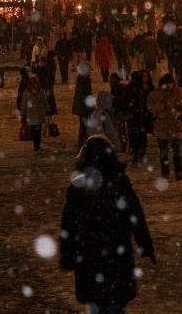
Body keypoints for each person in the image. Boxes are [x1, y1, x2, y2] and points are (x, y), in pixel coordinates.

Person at [60, 135, 156, 314]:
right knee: (116, 306)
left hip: (89, 255)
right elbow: (135, 216)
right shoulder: (119, 182)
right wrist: (145, 245)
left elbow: (69, 224)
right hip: (117, 255)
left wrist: (67, 254)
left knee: (97, 305)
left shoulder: (79, 186)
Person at [147, 73, 182, 180]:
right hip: (162, 126)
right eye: (166, 84)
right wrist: (163, 106)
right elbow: (150, 106)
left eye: (170, 83)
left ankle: (179, 172)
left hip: (176, 125)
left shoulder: (180, 92)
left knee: (177, 151)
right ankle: (165, 172)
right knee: (163, 152)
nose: (168, 86)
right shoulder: (156, 94)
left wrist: (178, 103)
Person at [20, 77, 51, 151]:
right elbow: (23, 104)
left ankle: (37, 145)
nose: (34, 85)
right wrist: (23, 114)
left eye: (35, 83)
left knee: (38, 129)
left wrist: (47, 109)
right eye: (33, 84)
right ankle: (35, 144)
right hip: (31, 113)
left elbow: (45, 101)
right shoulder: (26, 92)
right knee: (33, 130)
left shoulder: (41, 91)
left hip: (39, 112)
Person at [73, 65, 95, 148]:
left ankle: (82, 144)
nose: (90, 72)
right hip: (84, 107)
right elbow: (86, 94)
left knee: (83, 127)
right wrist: (91, 107)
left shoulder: (81, 79)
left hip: (81, 107)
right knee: (85, 128)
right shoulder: (85, 80)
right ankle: (83, 145)